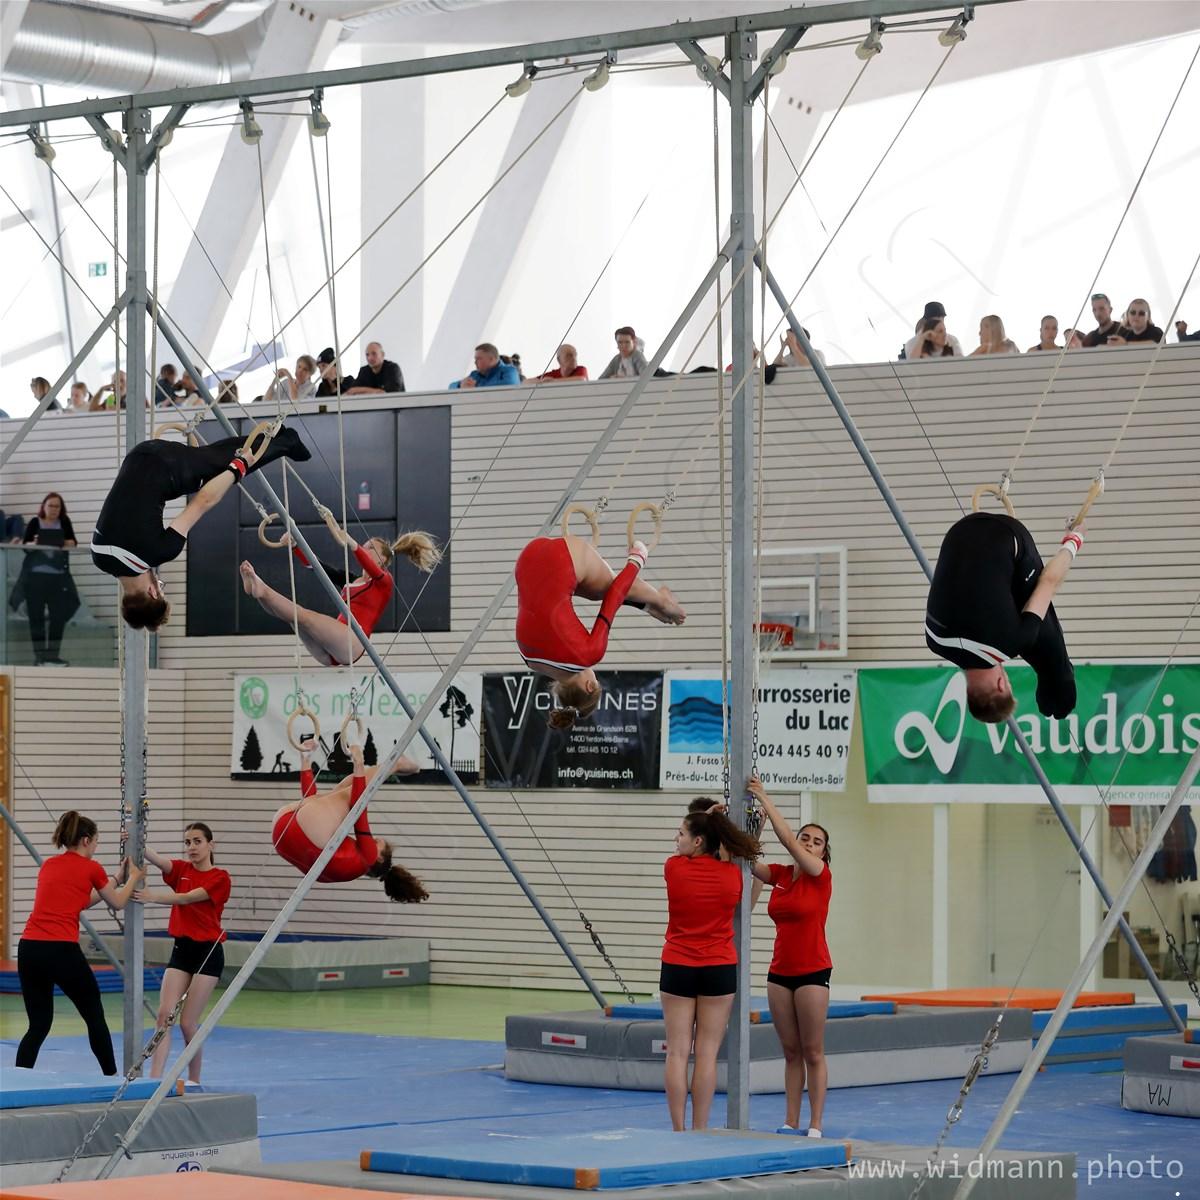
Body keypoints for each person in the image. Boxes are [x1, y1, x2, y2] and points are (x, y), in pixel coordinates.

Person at [91, 425, 311, 631]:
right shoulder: (98, 557)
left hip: (167, 464)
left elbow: (203, 501)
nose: (158, 581)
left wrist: (239, 467)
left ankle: (286, 442)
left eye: (160, 586)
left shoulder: (158, 552)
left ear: (152, 592)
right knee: (210, 461)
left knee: (224, 472)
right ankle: (273, 437)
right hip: (138, 455)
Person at [514, 531, 685, 728]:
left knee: (609, 585)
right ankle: (649, 605)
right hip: (528, 557)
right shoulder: (529, 660)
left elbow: (615, 594)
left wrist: (637, 558)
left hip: (563, 557)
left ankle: (663, 603)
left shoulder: (588, 655)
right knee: (593, 591)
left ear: (590, 686)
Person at [16, 811, 144, 1074]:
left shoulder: (50, 865)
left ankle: (20, 1077)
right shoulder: (91, 868)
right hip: (60, 949)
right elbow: (118, 903)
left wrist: (116, 879)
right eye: (96, 842)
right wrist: (133, 876)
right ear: (86, 840)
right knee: (94, 1015)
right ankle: (111, 1077)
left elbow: (80, 901)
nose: (96, 847)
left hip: (29, 948)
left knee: (38, 1025)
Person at [925, 512, 1084, 722]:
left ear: (1001, 685)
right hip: (959, 530)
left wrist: (1074, 540)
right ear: (968, 691)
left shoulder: (1009, 644)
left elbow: (1049, 581)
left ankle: (1060, 683)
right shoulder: (933, 641)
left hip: (1008, 532)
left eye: (1008, 683)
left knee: (1037, 625)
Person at [660, 805, 761, 1131]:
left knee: (677, 1053)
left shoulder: (674, 868)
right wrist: (715, 822)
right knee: (706, 1054)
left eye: (681, 834)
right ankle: (700, 1129)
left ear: (698, 841)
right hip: (718, 966)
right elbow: (731, 854)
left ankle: (678, 1130)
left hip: (678, 964)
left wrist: (707, 814)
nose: (676, 839)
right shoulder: (731, 875)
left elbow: (699, 844)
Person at [240, 506, 441, 666]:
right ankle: (259, 592)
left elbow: (369, 565)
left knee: (303, 615)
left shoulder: (384, 582)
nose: (365, 548)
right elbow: (317, 567)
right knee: (293, 619)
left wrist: (353, 545)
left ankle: (262, 588)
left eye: (370, 547)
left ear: (383, 560)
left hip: (352, 643)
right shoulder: (352, 580)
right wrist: (294, 546)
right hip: (331, 651)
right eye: (364, 545)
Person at [748, 778, 832, 1137]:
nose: (809, 843)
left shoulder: (820, 875)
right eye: (805, 838)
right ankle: (791, 1120)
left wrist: (766, 799)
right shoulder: (781, 876)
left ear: (823, 853)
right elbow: (748, 861)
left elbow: (787, 843)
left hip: (813, 971)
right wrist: (755, 826)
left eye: (817, 842)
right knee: (790, 1051)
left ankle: (815, 1123)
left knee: (813, 1050)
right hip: (779, 973)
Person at [272, 737, 427, 900]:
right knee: (340, 791)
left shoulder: (370, 858)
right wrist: (306, 762)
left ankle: (396, 764)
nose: (372, 840)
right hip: (280, 833)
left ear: (380, 858)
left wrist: (358, 763)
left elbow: (359, 809)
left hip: (296, 827)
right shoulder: (347, 863)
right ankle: (306, 757)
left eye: (374, 842)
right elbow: (310, 809)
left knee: (350, 793)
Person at [136, 824, 230, 1084]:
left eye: (197, 841)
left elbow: (188, 898)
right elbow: (156, 859)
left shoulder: (220, 877)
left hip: (208, 953)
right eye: (187, 842)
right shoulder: (181, 870)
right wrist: (134, 838)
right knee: (164, 1016)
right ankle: (155, 1079)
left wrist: (152, 897)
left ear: (211, 845)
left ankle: (194, 1079)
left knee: (188, 1023)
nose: (191, 847)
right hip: (182, 950)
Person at [20, 493, 79, 665]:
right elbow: (25, 546)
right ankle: (39, 656)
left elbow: (73, 543)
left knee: (58, 618)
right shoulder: (34, 522)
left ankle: (52, 655)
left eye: (57, 506)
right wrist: (37, 543)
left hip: (58, 578)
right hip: (35, 578)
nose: (54, 509)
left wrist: (61, 542)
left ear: (61, 509)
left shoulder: (64, 522)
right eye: (51, 505)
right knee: (36, 618)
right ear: (44, 507)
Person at [449, 343, 521, 389]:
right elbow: (451, 386)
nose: (475, 362)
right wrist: (460, 385)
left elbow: (508, 386)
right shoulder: (475, 374)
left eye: (479, 359)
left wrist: (474, 389)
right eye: (475, 359)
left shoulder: (509, 371)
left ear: (491, 359)